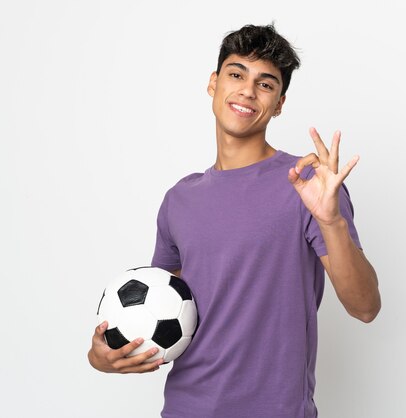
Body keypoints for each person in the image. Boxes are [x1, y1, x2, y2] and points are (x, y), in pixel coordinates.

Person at [88, 23, 381, 418]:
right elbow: (152, 311)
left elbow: (365, 307)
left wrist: (331, 221)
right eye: (236, 74)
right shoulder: (180, 199)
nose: (247, 90)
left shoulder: (309, 184)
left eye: (266, 84)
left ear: (279, 104)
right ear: (214, 83)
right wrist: (100, 356)